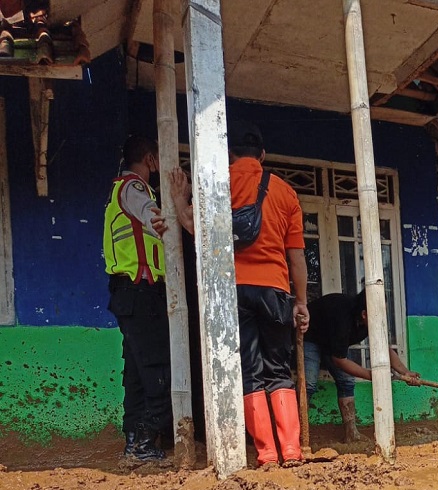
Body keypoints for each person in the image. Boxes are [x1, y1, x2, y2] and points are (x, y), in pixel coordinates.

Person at [168, 121, 310, 467]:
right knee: (279, 370)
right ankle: (291, 451)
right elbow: (296, 257)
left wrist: (179, 198)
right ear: (263, 154)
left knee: (249, 370)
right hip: (275, 289)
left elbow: (194, 227)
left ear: (229, 153)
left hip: (232, 291)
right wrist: (301, 301)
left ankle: (266, 453)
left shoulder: (218, 185)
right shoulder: (285, 193)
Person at [103, 135, 171, 461]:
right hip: (141, 291)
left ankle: (133, 442)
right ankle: (144, 442)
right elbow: (155, 219)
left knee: (136, 374)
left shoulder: (117, 191)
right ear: (150, 159)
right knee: (157, 370)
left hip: (127, 293)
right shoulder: (134, 188)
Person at [303, 290, 421, 442]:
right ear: (364, 314)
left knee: (347, 382)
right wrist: (371, 375)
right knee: (308, 385)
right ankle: (298, 435)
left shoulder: (371, 320)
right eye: (379, 313)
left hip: (333, 342)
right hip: (311, 336)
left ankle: (351, 434)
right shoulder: (343, 318)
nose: (382, 318)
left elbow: (384, 347)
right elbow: (339, 360)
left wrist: (405, 372)